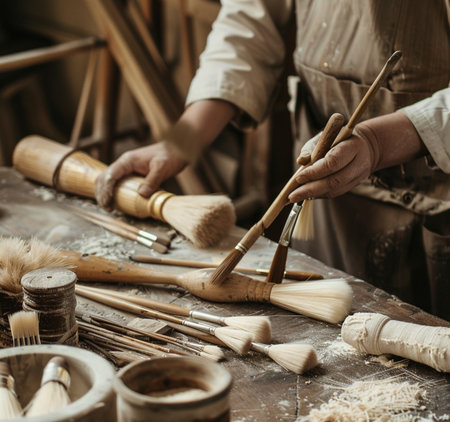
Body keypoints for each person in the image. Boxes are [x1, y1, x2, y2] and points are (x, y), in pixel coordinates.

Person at [95, 0, 450, 318]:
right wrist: (182, 140)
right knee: (323, 319)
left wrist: (376, 142)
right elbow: (249, 24)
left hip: (434, 210)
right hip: (323, 199)